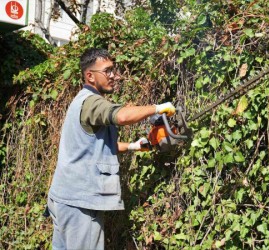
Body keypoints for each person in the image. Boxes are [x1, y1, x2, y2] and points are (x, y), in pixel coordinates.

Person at [47, 48, 175, 249]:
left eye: (113, 70)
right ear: (90, 76)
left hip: (63, 198)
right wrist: (158, 108)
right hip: (81, 203)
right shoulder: (92, 103)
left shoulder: (80, 100)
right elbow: (121, 116)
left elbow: (95, 148)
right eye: (107, 71)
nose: (114, 76)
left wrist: (133, 146)